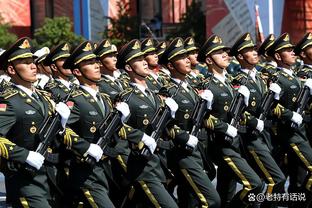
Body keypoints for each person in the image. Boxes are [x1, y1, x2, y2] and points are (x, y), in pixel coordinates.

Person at [0, 37, 69, 207]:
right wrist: (25, 155)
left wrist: (62, 124)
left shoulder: (44, 97)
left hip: (51, 174)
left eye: (33, 61)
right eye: (25, 62)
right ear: (11, 69)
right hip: (25, 178)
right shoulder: (9, 101)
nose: (33, 66)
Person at [197, 35, 264, 208]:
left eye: (225, 51)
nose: (225, 55)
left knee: (225, 192)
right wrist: (224, 127)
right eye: (219, 53)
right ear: (209, 60)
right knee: (255, 185)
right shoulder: (206, 85)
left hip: (237, 143)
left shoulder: (232, 81)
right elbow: (202, 119)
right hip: (222, 145)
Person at [116, 39, 179, 208]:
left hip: (159, 162)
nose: (144, 62)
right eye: (138, 59)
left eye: (144, 58)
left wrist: (171, 114)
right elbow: (118, 129)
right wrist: (141, 137)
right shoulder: (126, 96)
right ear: (129, 68)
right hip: (143, 167)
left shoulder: (154, 95)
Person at [159, 37, 221, 208]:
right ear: (171, 65)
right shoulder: (167, 90)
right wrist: (183, 137)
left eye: (188, 56)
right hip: (181, 153)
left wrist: (207, 105)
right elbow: (164, 125)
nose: (187, 60)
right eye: (181, 57)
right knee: (212, 201)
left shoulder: (192, 89)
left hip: (197, 150)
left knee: (190, 199)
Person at [230, 33, 287, 208]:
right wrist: (253, 121)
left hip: (265, 135)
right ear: (240, 56)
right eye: (248, 50)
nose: (255, 52)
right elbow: (237, 112)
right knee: (277, 179)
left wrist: (276, 96)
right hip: (250, 137)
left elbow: (269, 107)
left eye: (254, 49)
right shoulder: (239, 81)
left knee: (260, 182)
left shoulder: (261, 78)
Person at [267, 33, 312, 207]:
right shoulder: (279, 77)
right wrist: (291, 115)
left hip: (301, 133)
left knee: (296, 179)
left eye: (292, 49)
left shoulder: (294, 76)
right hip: (290, 134)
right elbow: (271, 107)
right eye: (287, 50)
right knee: (291, 178)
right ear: (278, 56)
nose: (292, 52)